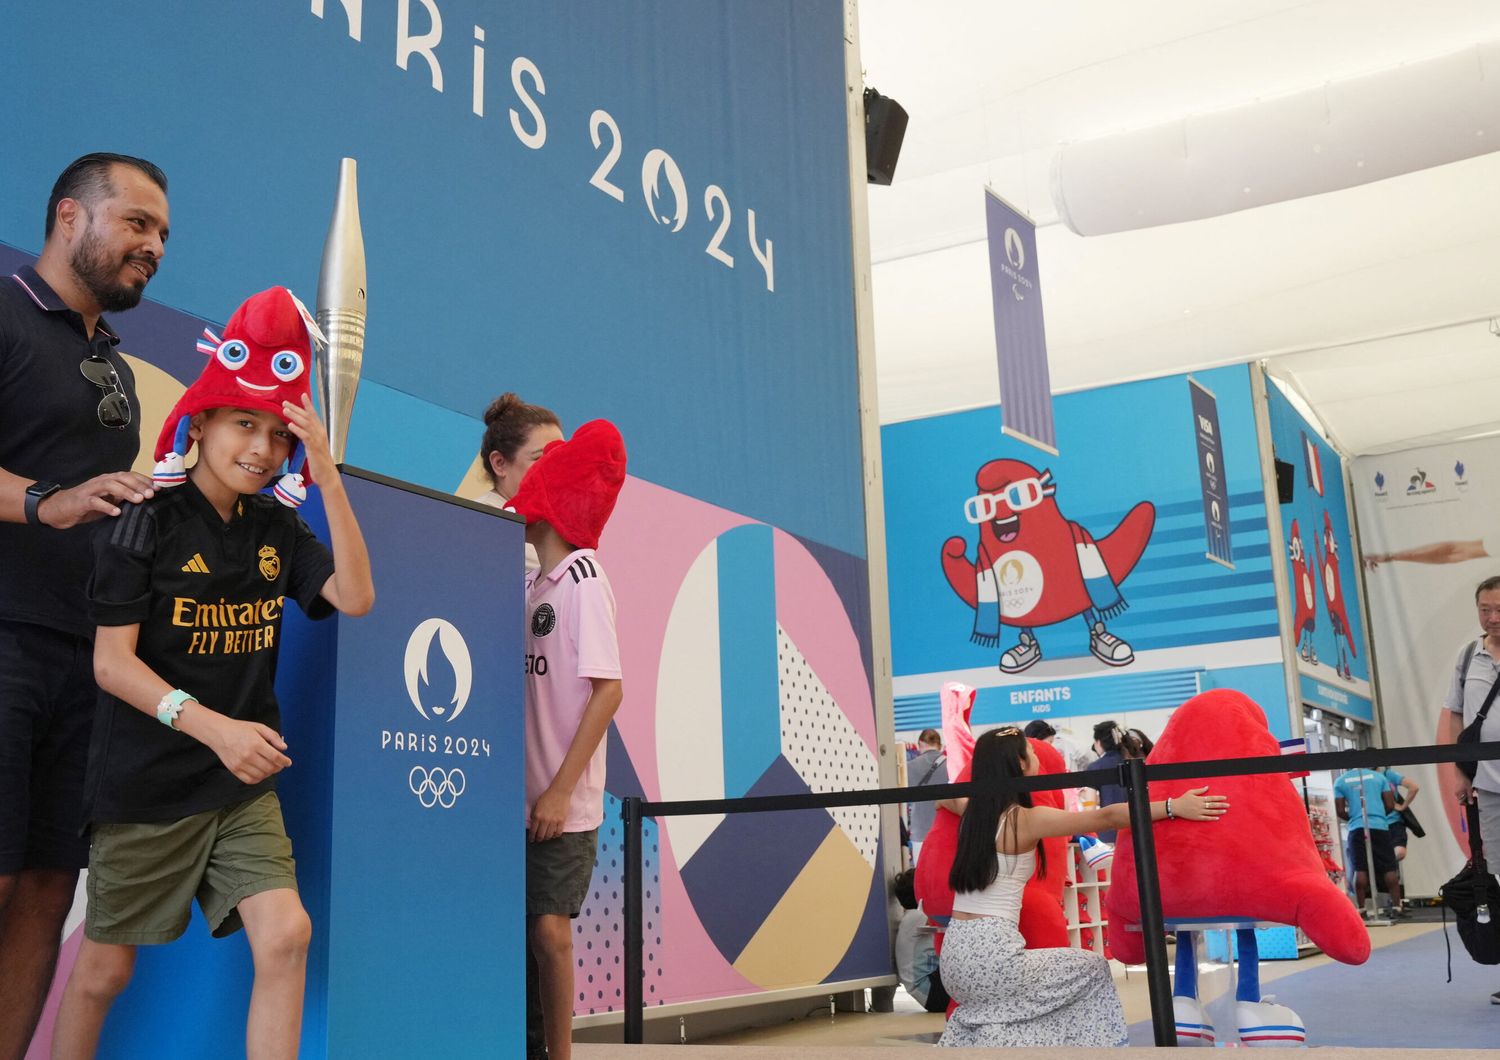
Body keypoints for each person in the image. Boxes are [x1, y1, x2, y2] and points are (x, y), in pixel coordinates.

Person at [48, 286, 375, 1059]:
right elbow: (111, 665)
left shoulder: (278, 526)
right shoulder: (144, 521)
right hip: (147, 782)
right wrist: (217, 729)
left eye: (274, 434)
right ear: (201, 422)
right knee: (102, 973)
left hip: (239, 788)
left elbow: (356, 598)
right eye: (242, 425)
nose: (260, 449)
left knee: (286, 933)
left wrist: (330, 478)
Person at [0, 152, 168, 1058]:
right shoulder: (2, 312)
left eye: (163, 234)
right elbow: (51, 496)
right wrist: (41, 501)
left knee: (46, 885)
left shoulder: (118, 369)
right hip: (3, 641)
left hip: (86, 665)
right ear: (71, 216)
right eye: (137, 223)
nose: (154, 245)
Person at [938, 726, 1227, 1047]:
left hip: (954, 958)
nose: (1036, 756)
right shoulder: (1024, 819)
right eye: (1031, 752)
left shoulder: (972, 815)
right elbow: (1106, 818)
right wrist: (1172, 807)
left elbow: (949, 795)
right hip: (992, 956)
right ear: (1020, 764)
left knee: (1016, 1001)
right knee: (1093, 969)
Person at [507, 420, 627, 1060]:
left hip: (563, 803)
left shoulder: (583, 579)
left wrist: (557, 791)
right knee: (524, 932)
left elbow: (608, 690)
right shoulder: (531, 583)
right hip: (519, 795)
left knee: (550, 931)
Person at [1437, 575, 1500, 1005]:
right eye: (1485, 609)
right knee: (1495, 882)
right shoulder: (1467, 657)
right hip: (1489, 787)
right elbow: (1458, 718)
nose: (1493, 618)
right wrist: (1462, 773)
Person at [476, 392, 563, 572]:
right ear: (499, 463)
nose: (557, 469)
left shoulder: (545, 527)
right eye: (540, 458)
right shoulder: (484, 524)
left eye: (561, 457)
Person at [1333, 766, 1401, 917]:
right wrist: (1379, 816)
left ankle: (1362, 909)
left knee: (1359, 868)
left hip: (1357, 828)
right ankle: (1397, 907)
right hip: (1379, 827)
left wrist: (1353, 819)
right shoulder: (1379, 777)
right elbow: (1390, 805)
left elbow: (1340, 811)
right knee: (1389, 867)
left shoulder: (1340, 781)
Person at [892, 869, 949, 1013]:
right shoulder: (916, 917)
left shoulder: (912, 919)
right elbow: (953, 923)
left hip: (931, 990)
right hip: (930, 989)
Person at [906, 729, 946, 863]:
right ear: (939, 745)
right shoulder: (950, 765)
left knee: (921, 876)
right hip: (945, 831)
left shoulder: (910, 767)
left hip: (920, 831)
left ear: (920, 744)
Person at [1087, 721, 1130, 842]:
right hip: (1135, 827)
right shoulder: (1131, 761)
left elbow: (1090, 807)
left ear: (1098, 742)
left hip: (1108, 830)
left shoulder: (1096, 767)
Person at [1378, 765, 1419, 862]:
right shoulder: (1365, 778)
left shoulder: (1387, 774)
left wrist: (1403, 806)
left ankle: (1387, 864)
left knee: (1399, 852)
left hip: (1394, 821)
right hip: (1377, 824)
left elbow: (1414, 787)